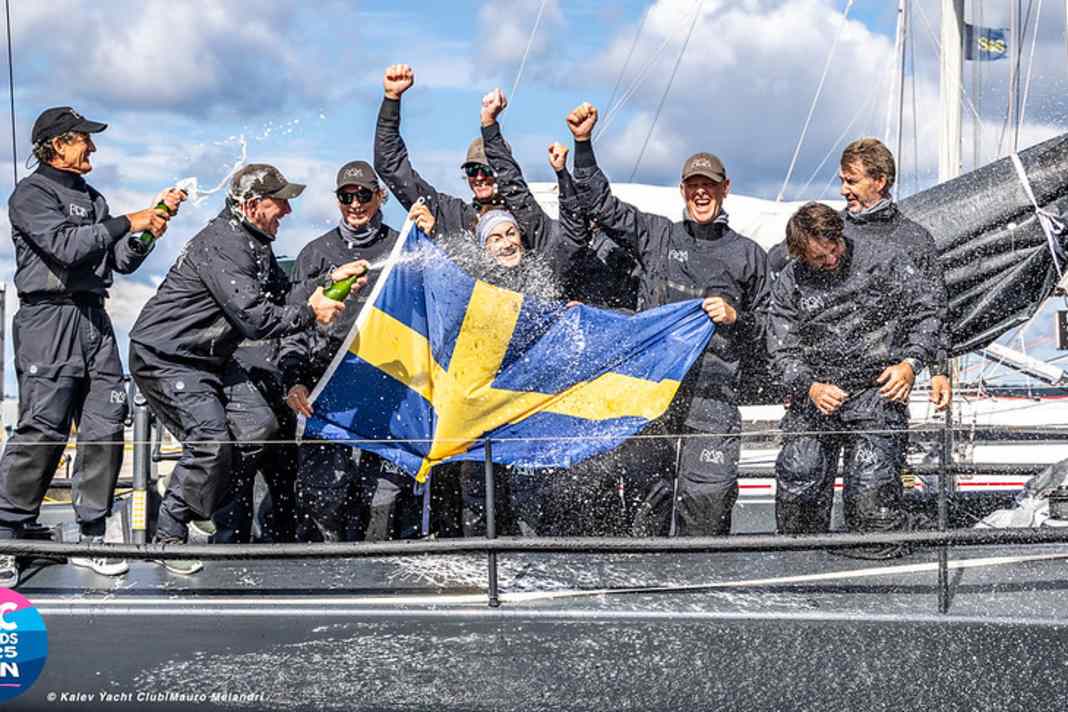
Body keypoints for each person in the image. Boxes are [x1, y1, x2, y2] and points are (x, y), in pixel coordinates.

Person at [128, 164, 367, 574]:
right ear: (253, 204)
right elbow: (256, 320)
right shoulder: (224, 245)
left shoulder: (253, 240)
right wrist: (313, 312)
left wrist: (330, 278)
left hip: (211, 358)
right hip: (166, 357)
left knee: (259, 424)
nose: (288, 211)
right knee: (209, 439)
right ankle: (168, 536)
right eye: (282, 202)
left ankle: (213, 503)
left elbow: (282, 289)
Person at [0, 106, 184, 587]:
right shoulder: (30, 194)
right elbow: (65, 247)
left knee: (104, 425)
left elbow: (120, 260)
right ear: (57, 144)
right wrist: (131, 219)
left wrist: (149, 228)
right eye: (85, 139)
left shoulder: (96, 199)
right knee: (42, 430)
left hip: (95, 321)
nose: (94, 148)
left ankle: (91, 535)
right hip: (48, 320)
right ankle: (6, 534)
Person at [566, 102, 770, 537]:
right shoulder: (658, 236)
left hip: (713, 396)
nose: (701, 193)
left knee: (707, 500)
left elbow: (771, 330)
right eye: (693, 185)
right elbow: (601, 204)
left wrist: (737, 318)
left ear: (725, 188)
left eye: (709, 186)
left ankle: (705, 589)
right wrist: (583, 145)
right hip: (653, 392)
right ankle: (645, 591)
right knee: (647, 500)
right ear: (682, 190)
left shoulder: (748, 254)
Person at [768, 202, 941, 541]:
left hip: (874, 390)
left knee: (870, 492)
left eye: (835, 250)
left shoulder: (885, 260)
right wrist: (810, 387)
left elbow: (928, 310)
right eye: (819, 259)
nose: (830, 261)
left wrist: (911, 364)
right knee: (800, 476)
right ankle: (799, 566)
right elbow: (780, 350)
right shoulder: (791, 280)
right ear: (800, 255)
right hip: (815, 392)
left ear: (840, 236)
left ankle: (880, 563)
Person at [280, 161, 419, 542]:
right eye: (346, 196)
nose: (355, 204)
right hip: (326, 389)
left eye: (363, 195)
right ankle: (322, 582)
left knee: (384, 496)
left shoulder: (402, 246)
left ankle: (379, 580)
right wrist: (294, 382)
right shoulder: (315, 254)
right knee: (323, 495)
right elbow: (293, 327)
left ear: (380, 196)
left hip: (387, 389)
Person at [768, 138, 951, 411]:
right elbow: (782, 268)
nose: (843, 190)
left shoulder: (913, 239)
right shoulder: (831, 228)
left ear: (878, 181)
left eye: (851, 181)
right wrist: (801, 384)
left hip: (880, 382)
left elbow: (934, 306)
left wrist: (939, 371)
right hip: (823, 381)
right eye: (842, 180)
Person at [479, 88, 639, 309]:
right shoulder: (550, 238)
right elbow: (514, 189)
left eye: (588, 198)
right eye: (575, 197)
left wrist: (594, 313)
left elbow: (638, 313)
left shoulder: (623, 250)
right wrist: (489, 127)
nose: (583, 205)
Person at [375, 64, 504, 237]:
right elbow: (390, 166)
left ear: (503, 171)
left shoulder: (525, 215)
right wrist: (392, 98)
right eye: (473, 170)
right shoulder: (450, 215)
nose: (479, 178)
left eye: (486, 170)